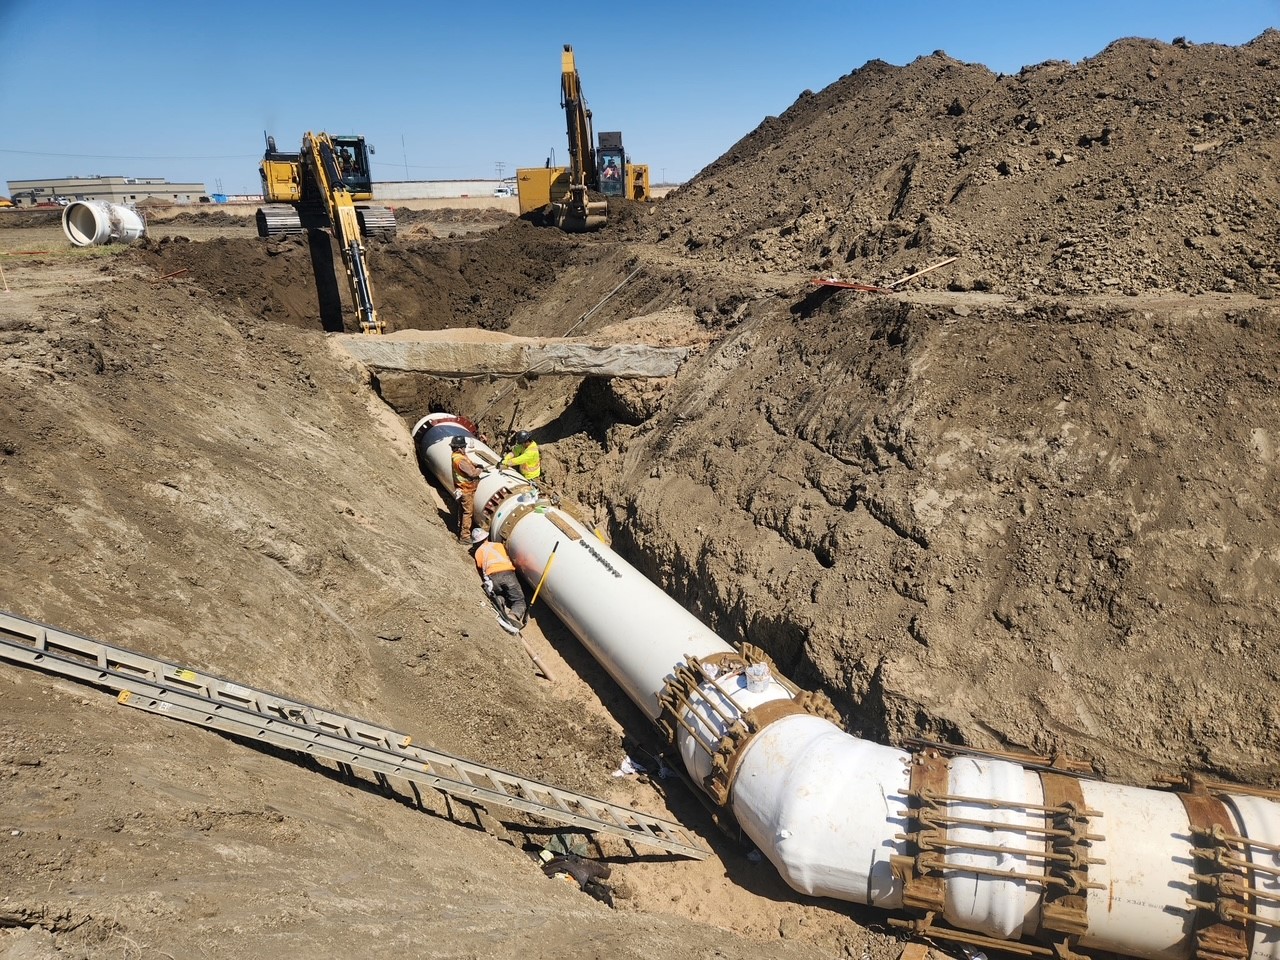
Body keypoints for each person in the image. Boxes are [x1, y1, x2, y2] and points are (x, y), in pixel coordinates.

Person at [471, 528, 527, 627]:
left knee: (501, 593)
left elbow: (480, 567)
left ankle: (500, 600)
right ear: (486, 537)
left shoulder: (478, 552)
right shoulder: (499, 545)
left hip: (493, 577)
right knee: (519, 600)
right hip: (508, 574)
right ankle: (513, 616)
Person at [449, 436, 481, 545]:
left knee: (462, 510)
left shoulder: (457, 456)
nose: (465, 449)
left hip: (461, 489)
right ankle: (465, 537)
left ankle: (459, 528)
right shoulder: (460, 460)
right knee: (468, 513)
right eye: (463, 447)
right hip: (466, 490)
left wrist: (476, 464)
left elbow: (469, 462)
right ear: (459, 448)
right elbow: (472, 473)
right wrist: (480, 469)